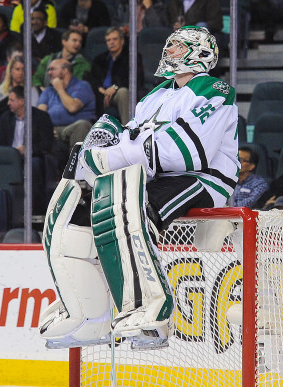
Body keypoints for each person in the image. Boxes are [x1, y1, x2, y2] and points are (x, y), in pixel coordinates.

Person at [40, 26, 238, 350]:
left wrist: (108, 156)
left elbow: (181, 152)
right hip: (153, 176)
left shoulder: (213, 89)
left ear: (199, 52)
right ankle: (89, 314)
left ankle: (153, 310)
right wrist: (100, 153)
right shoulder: (155, 97)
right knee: (81, 215)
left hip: (202, 179)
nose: (168, 50)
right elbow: (130, 142)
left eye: (176, 45)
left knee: (133, 211)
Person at [0, 85, 55, 213]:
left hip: (32, 156)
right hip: (10, 158)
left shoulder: (41, 117)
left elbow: (47, 143)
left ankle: (36, 209)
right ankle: (2, 209)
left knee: (34, 165)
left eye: (11, 100)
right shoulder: (5, 118)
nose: (8, 103)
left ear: (22, 101)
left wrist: (28, 149)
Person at [37, 58, 96, 149]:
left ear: (65, 70)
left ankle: (77, 162)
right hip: (54, 129)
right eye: (48, 70)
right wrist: (48, 129)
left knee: (81, 125)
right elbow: (40, 114)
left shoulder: (82, 86)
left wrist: (60, 89)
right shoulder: (48, 91)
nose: (49, 73)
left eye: (52, 69)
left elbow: (72, 107)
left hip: (74, 127)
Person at [89, 27, 143, 122]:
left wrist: (115, 87)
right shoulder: (99, 59)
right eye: (108, 40)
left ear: (122, 41)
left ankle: (128, 130)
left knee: (123, 92)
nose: (111, 42)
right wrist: (101, 90)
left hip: (118, 92)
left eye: (114, 39)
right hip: (102, 93)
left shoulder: (132, 57)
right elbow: (93, 78)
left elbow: (137, 79)